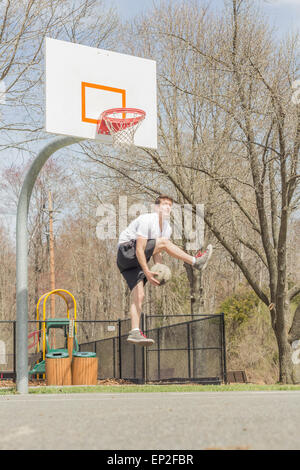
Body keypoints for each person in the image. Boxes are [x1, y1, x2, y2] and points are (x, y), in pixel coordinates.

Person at [116, 195, 213, 346]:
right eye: (164, 204)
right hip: (127, 252)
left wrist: (158, 272)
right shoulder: (147, 219)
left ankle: (134, 331)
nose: (168, 207)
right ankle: (196, 262)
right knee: (164, 242)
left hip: (131, 265)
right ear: (156, 207)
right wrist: (147, 271)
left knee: (139, 296)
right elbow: (140, 250)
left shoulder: (166, 227)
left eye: (170, 205)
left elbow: (157, 252)